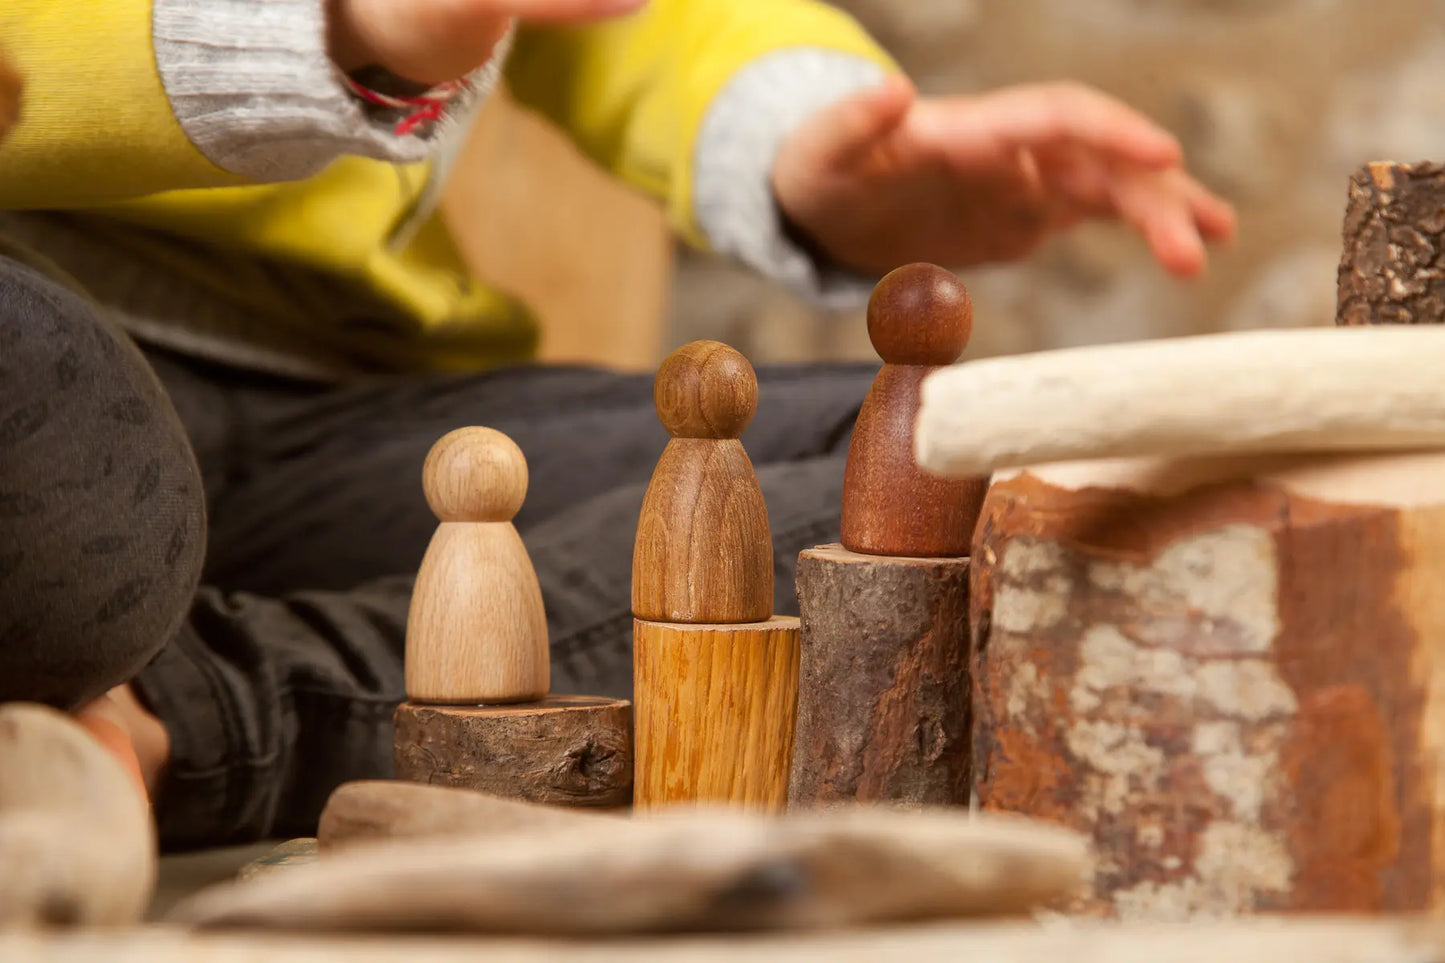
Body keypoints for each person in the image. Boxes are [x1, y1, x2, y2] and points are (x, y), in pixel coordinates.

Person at [0, 0, 1235, 849]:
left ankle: (176, 720)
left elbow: (628, 26)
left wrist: (805, 138)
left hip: (339, 406)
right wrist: (327, 32)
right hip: (42, 377)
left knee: (975, 459)